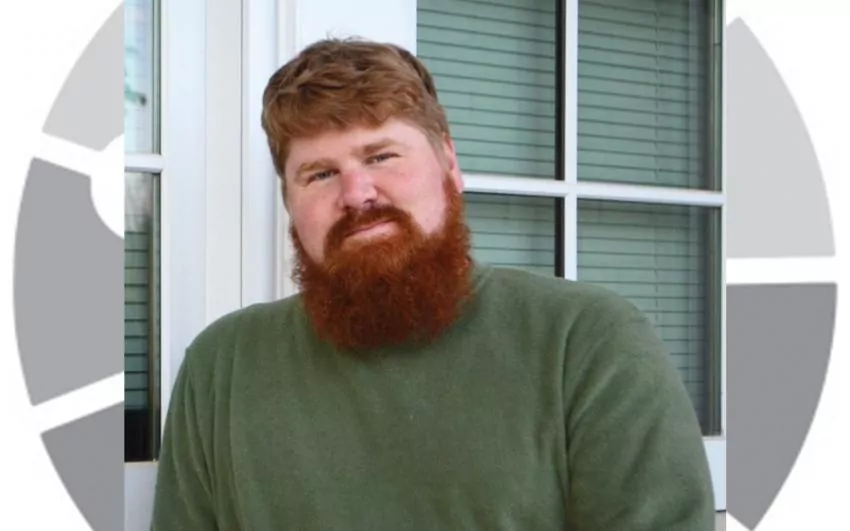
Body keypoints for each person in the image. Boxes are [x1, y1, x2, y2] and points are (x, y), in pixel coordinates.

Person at [150, 37, 715, 530]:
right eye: (320, 174)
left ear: (449, 164)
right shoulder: (222, 367)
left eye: (381, 155)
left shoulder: (586, 342)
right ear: (289, 204)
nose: (357, 194)